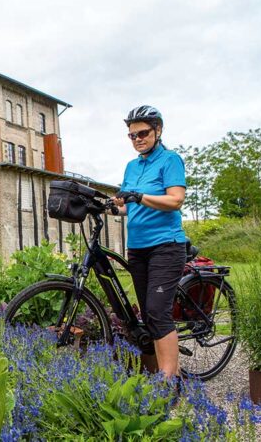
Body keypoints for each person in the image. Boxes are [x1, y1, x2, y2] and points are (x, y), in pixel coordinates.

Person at [112, 105, 186, 379]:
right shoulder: (132, 166)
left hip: (166, 245)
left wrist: (138, 196)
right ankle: (160, 371)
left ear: (158, 130)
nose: (138, 139)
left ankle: (169, 379)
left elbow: (175, 200)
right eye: (132, 136)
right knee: (147, 312)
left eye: (143, 133)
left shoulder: (170, 160)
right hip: (138, 248)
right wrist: (113, 206)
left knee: (157, 311)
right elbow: (129, 205)